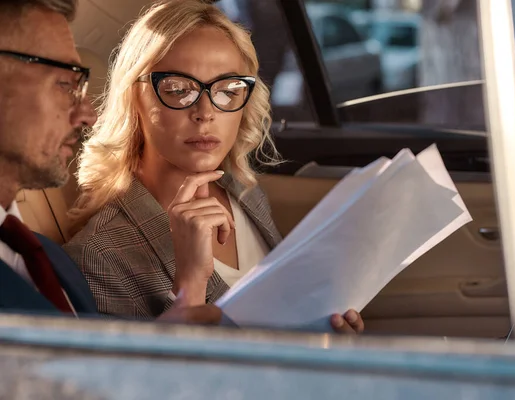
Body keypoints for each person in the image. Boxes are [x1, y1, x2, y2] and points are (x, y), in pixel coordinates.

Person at [64, 0, 364, 333]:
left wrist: (324, 336)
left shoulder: (242, 192)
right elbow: (135, 382)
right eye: (179, 90)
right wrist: (189, 286)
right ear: (134, 98)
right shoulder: (98, 256)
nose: (206, 112)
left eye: (228, 89)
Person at [0, 0, 221, 325]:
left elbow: (85, 371)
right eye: (65, 84)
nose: (88, 114)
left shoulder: (48, 258)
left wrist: (184, 300)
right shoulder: (88, 256)